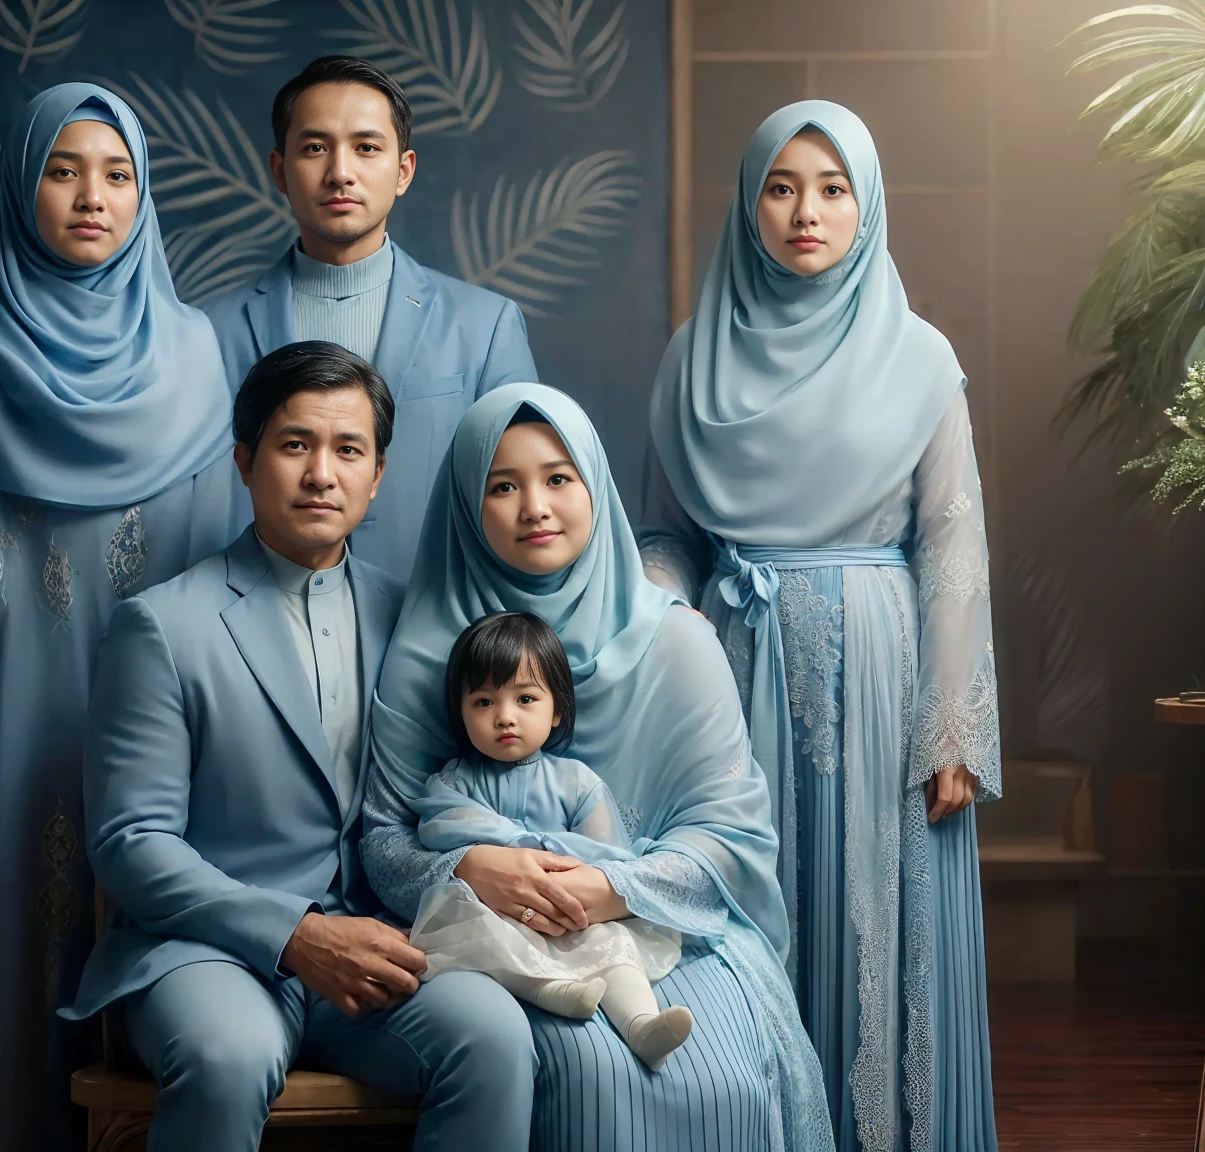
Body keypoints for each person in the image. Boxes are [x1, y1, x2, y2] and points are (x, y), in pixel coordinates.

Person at [0, 84, 238, 1151]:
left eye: (118, 175)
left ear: (144, 197)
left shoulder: (196, 355)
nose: (93, 197)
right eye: (64, 170)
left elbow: (222, 566)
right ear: (20, 183)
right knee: (5, 991)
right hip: (0, 725)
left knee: (157, 981)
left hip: (162, 729)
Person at [62, 342, 537, 1152]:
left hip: (382, 943)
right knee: (226, 1054)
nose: (322, 473)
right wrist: (297, 936)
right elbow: (131, 844)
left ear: (378, 474)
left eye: (348, 450)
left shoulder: (415, 622)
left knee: (493, 1037)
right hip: (205, 952)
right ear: (246, 462)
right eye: (295, 445)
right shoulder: (164, 627)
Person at [639, 100, 1000, 1151]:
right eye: (782, 187)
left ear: (867, 207)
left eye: (834, 189)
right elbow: (663, 536)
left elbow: (955, 547)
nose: (807, 212)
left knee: (881, 931)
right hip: (729, 673)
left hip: (886, 681)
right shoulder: (690, 361)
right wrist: (675, 626)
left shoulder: (922, 359)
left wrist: (951, 729)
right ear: (748, 206)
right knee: (748, 926)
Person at [363, 382, 834, 1150]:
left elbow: (730, 835)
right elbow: (384, 840)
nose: (534, 507)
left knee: (722, 1075)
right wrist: (471, 869)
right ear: (464, 505)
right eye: (502, 486)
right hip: (495, 945)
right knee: (588, 1071)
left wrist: (612, 886)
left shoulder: (674, 640)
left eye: (558, 478)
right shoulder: (427, 655)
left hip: (662, 926)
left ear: (595, 486)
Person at [203, 55, 537, 581]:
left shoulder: (485, 327)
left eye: (366, 147)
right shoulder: (209, 331)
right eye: (315, 148)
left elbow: (522, 495)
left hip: (439, 629)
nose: (340, 172)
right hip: (255, 627)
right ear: (279, 170)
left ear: (403, 170)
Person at [409, 610, 692, 1071]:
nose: (504, 717)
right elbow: (440, 826)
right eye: (483, 702)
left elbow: (608, 854)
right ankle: (556, 993)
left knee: (613, 943)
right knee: (476, 929)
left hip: (569, 910)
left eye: (525, 698)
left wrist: (552, 853)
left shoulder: (576, 782)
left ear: (557, 708)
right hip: (497, 912)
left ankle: (641, 1024)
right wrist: (519, 841)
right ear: (460, 714)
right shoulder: (455, 782)